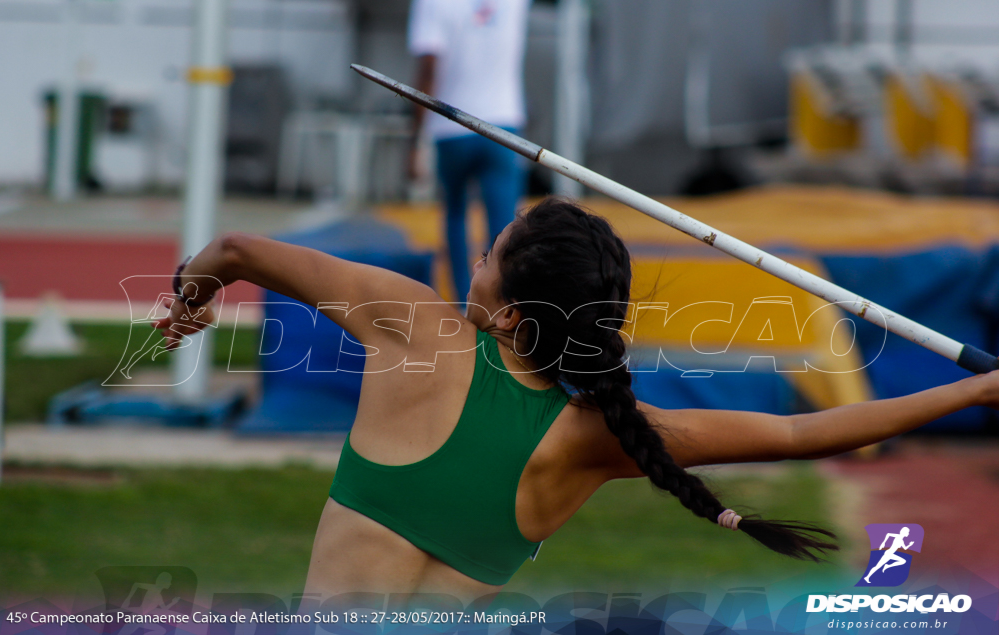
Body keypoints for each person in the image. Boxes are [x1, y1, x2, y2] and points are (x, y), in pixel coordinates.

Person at [156, 198, 999, 601]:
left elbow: (236, 248)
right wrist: (985, 387)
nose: (474, 262)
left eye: (486, 254)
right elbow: (799, 431)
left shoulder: (415, 328)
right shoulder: (596, 437)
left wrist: (186, 299)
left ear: (515, 309)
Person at [407, 0, 543, 302]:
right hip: (502, 126)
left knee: (454, 217)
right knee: (504, 228)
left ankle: (460, 305)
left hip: (451, 127)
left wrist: (414, 142)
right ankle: (501, 306)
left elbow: (428, 71)